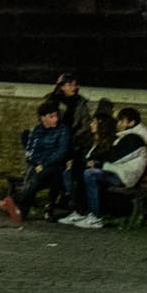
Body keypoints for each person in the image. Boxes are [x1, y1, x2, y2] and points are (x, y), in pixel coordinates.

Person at [66, 107, 147, 229]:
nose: (118, 123)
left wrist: (96, 163)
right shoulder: (124, 137)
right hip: (116, 171)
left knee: (90, 174)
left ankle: (95, 217)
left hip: (124, 176)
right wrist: (92, 162)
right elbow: (110, 155)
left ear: (131, 123)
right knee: (79, 171)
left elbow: (115, 157)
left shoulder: (134, 139)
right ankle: (81, 211)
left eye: (121, 121)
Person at [0, 98, 68, 225]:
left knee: (39, 176)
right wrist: (37, 163)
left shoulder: (62, 130)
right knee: (33, 177)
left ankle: (12, 199)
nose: (55, 119)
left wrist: (43, 164)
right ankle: (21, 211)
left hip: (54, 166)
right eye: (51, 117)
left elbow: (61, 152)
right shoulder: (36, 130)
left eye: (56, 116)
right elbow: (29, 151)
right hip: (36, 165)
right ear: (43, 118)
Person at [49, 72, 90, 216]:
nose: (73, 87)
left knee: (68, 172)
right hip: (55, 142)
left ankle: (75, 205)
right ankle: (51, 204)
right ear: (61, 87)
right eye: (69, 84)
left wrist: (74, 138)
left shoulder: (81, 103)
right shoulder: (53, 101)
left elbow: (85, 125)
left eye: (75, 84)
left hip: (73, 143)